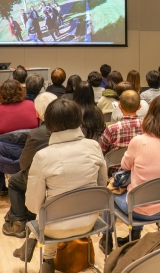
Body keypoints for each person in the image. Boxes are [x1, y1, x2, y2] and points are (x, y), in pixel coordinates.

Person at [25, 99, 107, 273]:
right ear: (79, 119)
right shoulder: (93, 146)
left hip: (53, 228)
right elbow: (102, 187)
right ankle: (45, 256)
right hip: (89, 222)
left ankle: (47, 259)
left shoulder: (42, 156)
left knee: (46, 212)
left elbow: (33, 204)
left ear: (48, 124)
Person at [109, 95, 160, 245]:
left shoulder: (139, 142)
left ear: (150, 113)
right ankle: (135, 234)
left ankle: (107, 239)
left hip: (140, 210)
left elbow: (125, 166)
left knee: (110, 193)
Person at [2, 92, 57, 239]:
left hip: (44, 179)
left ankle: (19, 222)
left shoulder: (37, 134)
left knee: (14, 182)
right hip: (65, 177)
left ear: (38, 114)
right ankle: (27, 215)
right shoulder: (68, 129)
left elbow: (24, 163)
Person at [100, 89, 143, 154]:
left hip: (114, 163)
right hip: (139, 162)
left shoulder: (111, 129)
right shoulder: (148, 127)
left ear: (119, 106)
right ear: (139, 107)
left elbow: (101, 149)